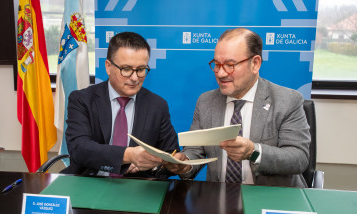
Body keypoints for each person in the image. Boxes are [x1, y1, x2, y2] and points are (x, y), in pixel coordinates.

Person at [165, 28, 310, 187]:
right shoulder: (206, 101)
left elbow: (299, 158)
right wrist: (184, 164)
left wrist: (253, 152)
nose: (220, 73)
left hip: (270, 200)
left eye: (230, 65)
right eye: (217, 64)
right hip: (219, 200)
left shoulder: (287, 100)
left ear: (255, 64)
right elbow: (195, 152)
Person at [63, 32, 179, 178]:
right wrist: (128, 155)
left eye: (141, 69)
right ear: (108, 67)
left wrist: (158, 166)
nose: (135, 77)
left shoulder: (157, 105)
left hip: (136, 190)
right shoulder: (82, 100)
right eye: (126, 69)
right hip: (88, 181)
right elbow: (79, 148)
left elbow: (170, 155)